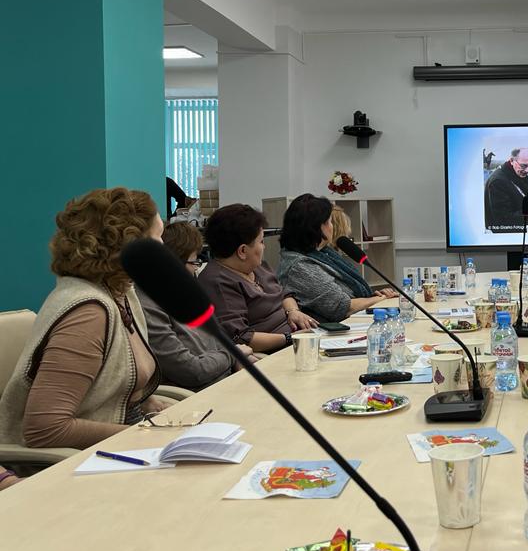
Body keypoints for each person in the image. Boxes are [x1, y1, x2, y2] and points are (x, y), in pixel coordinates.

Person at [0, 188, 169, 450]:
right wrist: (142, 436)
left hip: (115, 442)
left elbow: (112, 382)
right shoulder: (88, 314)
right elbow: (45, 429)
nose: (163, 246)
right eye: (157, 237)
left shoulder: (121, 292)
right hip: (78, 459)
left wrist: (147, 403)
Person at [137, 221, 251, 391]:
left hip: (226, 380)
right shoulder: (148, 306)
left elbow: (220, 340)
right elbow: (191, 371)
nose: (196, 269)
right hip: (200, 395)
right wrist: (233, 355)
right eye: (194, 262)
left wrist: (235, 359)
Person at [198, 204, 317, 352]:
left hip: (296, 338)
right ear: (242, 251)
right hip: (274, 352)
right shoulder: (219, 283)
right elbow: (241, 338)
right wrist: (289, 338)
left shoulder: (257, 267)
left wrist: (293, 311)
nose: (264, 247)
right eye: (261, 241)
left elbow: (284, 294)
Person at [277, 195, 395, 322]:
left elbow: (349, 295)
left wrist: (374, 296)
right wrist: (380, 299)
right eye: (329, 222)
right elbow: (341, 307)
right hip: (336, 328)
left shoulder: (323, 252)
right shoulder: (300, 266)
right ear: (314, 228)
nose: (332, 227)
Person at [484, 148, 528, 233]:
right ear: (511, 161)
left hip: (518, 230)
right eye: (523, 166)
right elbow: (503, 220)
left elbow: (520, 202)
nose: (527, 170)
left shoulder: (521, 175)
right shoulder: (497, 182)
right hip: (503, 236)